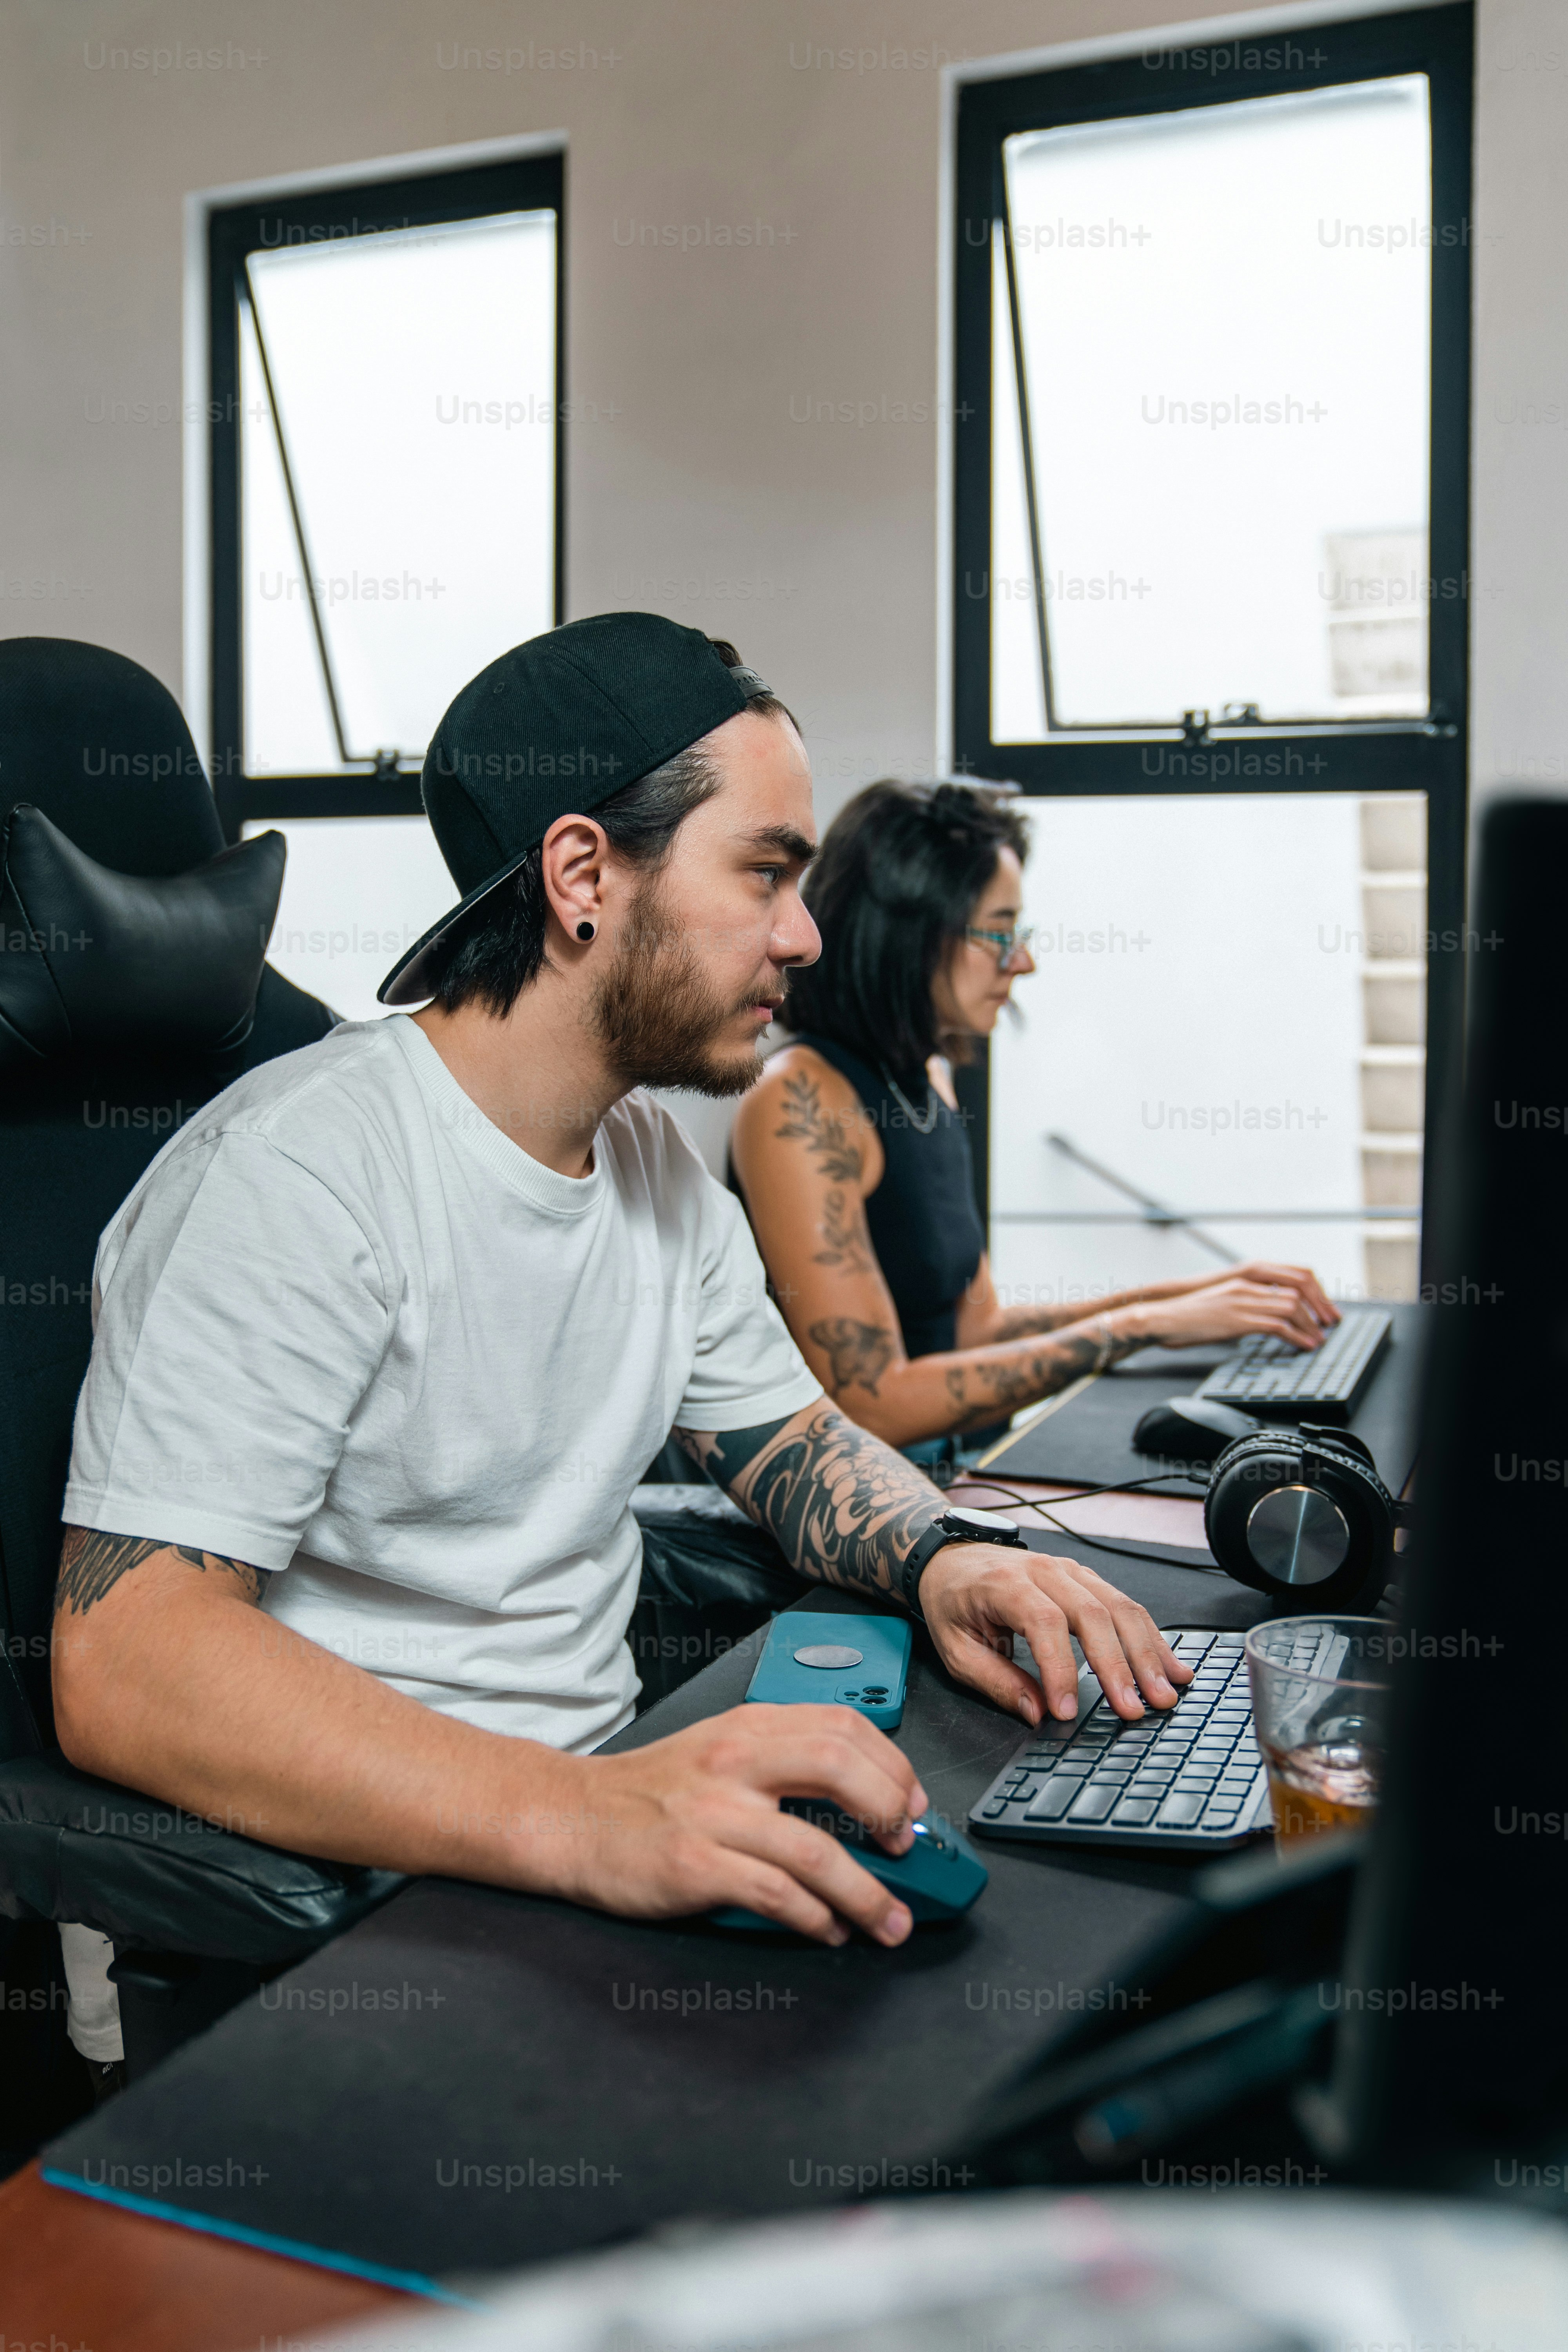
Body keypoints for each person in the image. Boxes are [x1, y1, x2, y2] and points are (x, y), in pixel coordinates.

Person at [52, 619, 1192, 1985]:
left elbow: (795, 1446)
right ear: (583, 873)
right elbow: (124, 1663)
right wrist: (586, 1816)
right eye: (766, 872)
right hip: (369, 1911)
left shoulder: (648, 1164)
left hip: (597, 1843)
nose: (806, 934)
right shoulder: (296, 1174)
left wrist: (953, 1556)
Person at [730, 779, 1339, 1468]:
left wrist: (1197, 1299)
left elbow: (976, 1330)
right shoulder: (800, 1107)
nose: (1023, 960)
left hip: (967, 1470)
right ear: (914, 932)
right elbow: (875, 1403)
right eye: (999, 933)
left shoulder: (928, 1081)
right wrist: (1142, 1326)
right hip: (882, 1506)